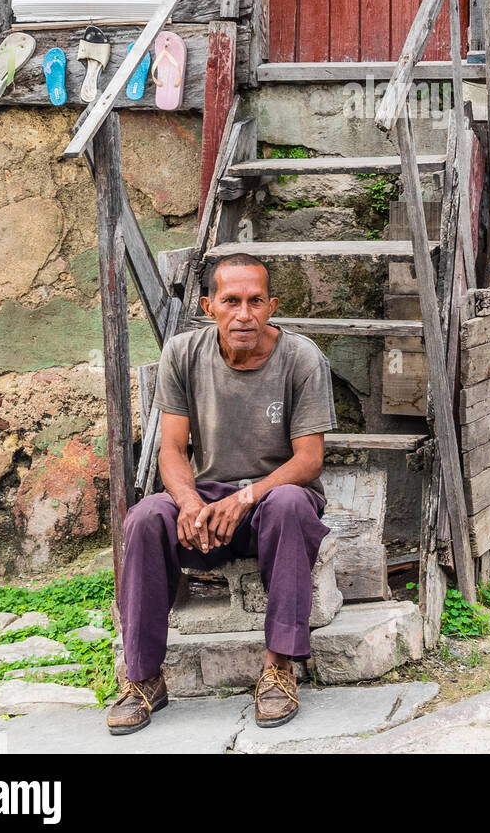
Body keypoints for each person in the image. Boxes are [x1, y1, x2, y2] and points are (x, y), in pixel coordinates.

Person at [106, 252, 337, 736]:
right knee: (145, 517)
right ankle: (143, 677)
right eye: (231, 301)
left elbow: (308, 461)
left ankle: (278, 668)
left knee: (292, 504)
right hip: (207, 498)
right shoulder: (184, 353)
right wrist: (190, 503)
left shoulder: (302, 358)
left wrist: (246, 497)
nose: (244, 314)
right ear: (209, 306)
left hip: (274, 500)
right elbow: (171, 449)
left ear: (272, 306)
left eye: (256, 301)